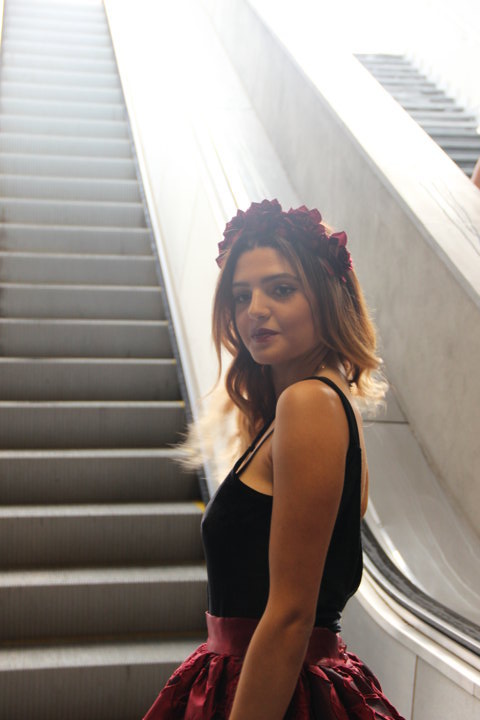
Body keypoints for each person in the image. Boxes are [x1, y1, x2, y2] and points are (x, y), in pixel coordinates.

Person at [143, 199, 405, 719]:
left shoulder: (309, 403)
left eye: (281, 289)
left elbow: (289, 617)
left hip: (273, 691)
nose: (254, 309)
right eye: (242, 295)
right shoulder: (312, 403)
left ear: (327, 298)